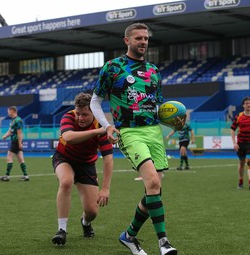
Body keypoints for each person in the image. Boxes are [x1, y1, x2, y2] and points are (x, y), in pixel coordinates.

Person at [90, 23, 177, 255]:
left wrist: (173, 120)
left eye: (146, 39)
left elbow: (157, 106)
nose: (143, 42)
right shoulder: (113, 68)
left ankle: (129, 236)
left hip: (154, 133)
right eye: (138, 38)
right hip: (129, 132)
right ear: (127, 40)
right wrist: (107, 126)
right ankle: (164, 243)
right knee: (153, 183)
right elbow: (95, 101)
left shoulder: (154, 71)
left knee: (154, 190)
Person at [51, 92, 114, 246]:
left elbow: (108, 159)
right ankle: (61, 230)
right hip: (64, 158)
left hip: (86, 164)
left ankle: (85, 223)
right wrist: (99, 131)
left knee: (92, 212)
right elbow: (68, 138)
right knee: (66, 182)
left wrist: (105, 188)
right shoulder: (69, 116)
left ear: (94, 112)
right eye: (78, 113)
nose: (80, 118)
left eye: (85, 114)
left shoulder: (101, 124)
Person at [230, 97, 250, 190]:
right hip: (241, 143)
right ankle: (240, 181)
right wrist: (234, 142)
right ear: (243, 105)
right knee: (242, 163)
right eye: (246, 103)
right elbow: (232, 129)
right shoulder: (239, 116)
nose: (248, 105)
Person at [0, 106, 29, 182]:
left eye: (8, 111)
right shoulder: (13, 121)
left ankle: (7, 176)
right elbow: (11, 131)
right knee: (20, 159)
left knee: (9, 157)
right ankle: (26, 176)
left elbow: (19, 132)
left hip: (16, 141)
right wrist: (5, 136)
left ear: (12, 111)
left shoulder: (18, 120)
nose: (8, 113)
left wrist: (19, 143)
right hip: (15, 141)